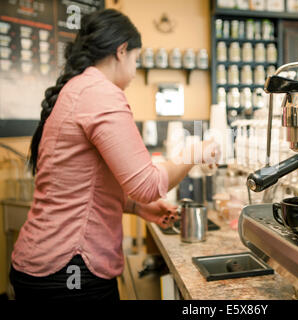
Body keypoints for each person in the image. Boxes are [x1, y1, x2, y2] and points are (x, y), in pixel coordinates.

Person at [9, 9, 219, 301]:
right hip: (69, 268)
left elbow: (80, 185)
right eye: (136, 59)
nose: (134, 69)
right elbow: (147, 184)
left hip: (45, 261)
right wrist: (195, 151)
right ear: (121, 51)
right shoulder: (100, 93)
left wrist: (135, 207)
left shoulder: (79, 89)